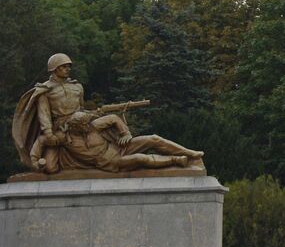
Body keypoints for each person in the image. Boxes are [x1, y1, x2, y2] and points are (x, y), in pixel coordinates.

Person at [12, 53, 204, 173]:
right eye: (64, 67)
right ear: (54, 69)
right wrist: (49, 133)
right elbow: (44, 115)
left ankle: (191, 154)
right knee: (51, 168)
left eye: (69, 66)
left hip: (83, 123)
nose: (67, 69)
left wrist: (94, 117)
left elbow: (82, 108)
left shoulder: (77, 87)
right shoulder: (45, 90)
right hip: (62, 130)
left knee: (152, 139)